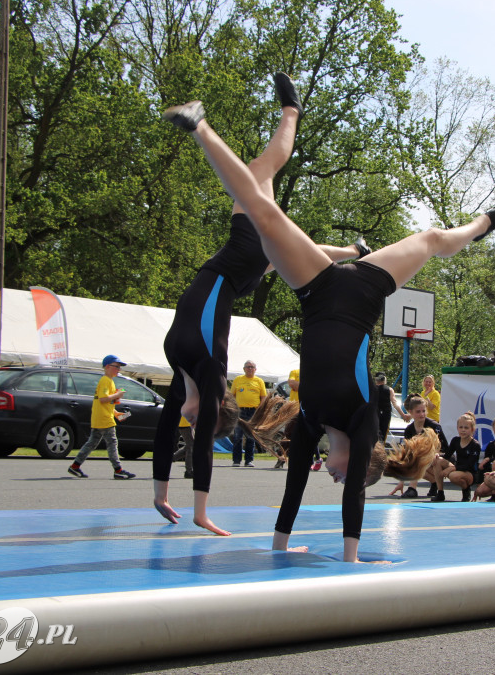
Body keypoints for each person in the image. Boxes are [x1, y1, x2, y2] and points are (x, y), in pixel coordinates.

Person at [161, 93, 495, 560]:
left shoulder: (311, 421)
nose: (333, 478)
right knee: (431, 238)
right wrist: (350, 559)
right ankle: (483, 223)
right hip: (365, 291)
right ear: (362, 463)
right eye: (343, 476)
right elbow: (356, 500)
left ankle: (200, 126)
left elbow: (290, 493)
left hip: (316, 289)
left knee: (266, 219)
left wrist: (279, 550)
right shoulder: (364, 420)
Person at [152, 74, 365, 534]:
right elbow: (200, 447)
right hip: (235, 265)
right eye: (202, 426)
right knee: (259, 173)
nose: (191, 427)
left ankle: (349, 252)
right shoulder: (209, 373)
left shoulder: (179, 377)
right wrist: (201, 510)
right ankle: (285, 115)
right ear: (215, 413)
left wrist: (160, 494)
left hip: (238, 268)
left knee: (264, 178)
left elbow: (166, 429)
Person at [67, 354, 135, 480]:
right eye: (117, 367)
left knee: (92, 443)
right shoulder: (106, 380)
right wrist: (118, 394)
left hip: (101, 417)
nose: (119, 369)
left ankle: (75, 466)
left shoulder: (109, 381)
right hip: (104, 419)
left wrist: (116, 413)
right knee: (112, 443)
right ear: (108, 366)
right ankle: (118, 470)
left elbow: (105, 402)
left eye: (120, 367)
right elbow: (104, 399)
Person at [397, 393, 449, 499]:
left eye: (423, 411)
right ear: (410, 412)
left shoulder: (434, 426)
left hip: (439, 458)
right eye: (418, 412)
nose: (422, 414)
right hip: (424, 460)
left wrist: (435, 453)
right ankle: (434, 482)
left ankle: (412, 489)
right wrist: (401, 481)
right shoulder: (409, 430)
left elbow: (445, 447)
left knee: (418, 459)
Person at [433, 411, 482, 501]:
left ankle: (466, 489)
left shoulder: (475, 445)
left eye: (466, 428)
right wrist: (437, 455)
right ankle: (440, 492)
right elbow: (447, 456)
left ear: (472, 429)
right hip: (457, 468)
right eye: (461, 427)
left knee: (453, 476)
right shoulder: (455, 440)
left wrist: (452, 468)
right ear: (457, 428)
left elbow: (469, 465)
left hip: (470, 473)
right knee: (437, 460)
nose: (463, 430)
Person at [231, 360, 267, 467]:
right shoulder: (238, 380)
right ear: (244, 369)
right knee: (238, 436)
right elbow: (232, 395)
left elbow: (263, 397)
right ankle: (236, 460)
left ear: (255, 369)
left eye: (252, 367)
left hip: (253, 411)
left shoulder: (259, 381)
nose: (250, 369)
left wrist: (260, 410)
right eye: (247, 367)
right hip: (240, 411)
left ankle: (249, 460)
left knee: (251, 436)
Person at [374, 372, 407, 448]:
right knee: (383, 434)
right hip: (385, 414)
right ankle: (381, 450)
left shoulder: (372, 389)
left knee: (374, 434)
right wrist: (403, 415)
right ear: (385, 379)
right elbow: (395, 403)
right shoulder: (389, 390)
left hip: (374, 414)